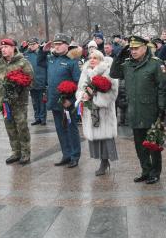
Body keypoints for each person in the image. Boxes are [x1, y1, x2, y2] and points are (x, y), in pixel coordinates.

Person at [110, 35, 166, 184]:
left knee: (153, 143)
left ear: (145, 48)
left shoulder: (155, 64)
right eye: (131, 49)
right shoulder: (127, 64)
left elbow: (162, 87)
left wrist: (161, 108)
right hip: (134, 110)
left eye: (136, 48)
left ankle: (155, 172)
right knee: (139, 145)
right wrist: (119, 56)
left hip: (151, 110)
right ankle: (145, 170)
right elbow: (114, 73)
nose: (133, 51)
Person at [0, 38, 34, 165]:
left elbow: (31, 81)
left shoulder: (23, 62)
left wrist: (18, 89)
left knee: (22, 128)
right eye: (2, 48)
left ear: (13, 48)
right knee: (10, 128)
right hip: (4, 102)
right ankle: (16, 152)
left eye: (6, 47)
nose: (3, 50)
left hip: (19, 102)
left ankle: (25, 153)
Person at [39, 33, 82, 168]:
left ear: (67, 45)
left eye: (59, 44)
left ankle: (75, 156)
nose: (56, 47)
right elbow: (40, 62)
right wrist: (43, 50)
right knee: (60, 129)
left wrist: (71, 99)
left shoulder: (72, 61)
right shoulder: (51, 58)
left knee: (71, 129)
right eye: (55, 44)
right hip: (54, 100)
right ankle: (66, 154)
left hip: (67, 102)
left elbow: (78, 82)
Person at [76, 50, 119, 176]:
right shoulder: (86, 71)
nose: (92, 60)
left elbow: (113, 92)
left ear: (101, 59)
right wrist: (83, 95)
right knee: (95, 138)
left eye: (95, 58)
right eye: (90, 57)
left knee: (105, 137)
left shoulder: (108, 70)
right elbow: (80, 88)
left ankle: (105, 162)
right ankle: (101, 160)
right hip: (90, 110)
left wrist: (95, 95)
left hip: (104, 111)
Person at [24, 37, 47, 126]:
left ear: (38, 44)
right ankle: (37, 118)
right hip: (31, 82)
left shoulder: (42, 54)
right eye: (30, 44)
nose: (31, 46)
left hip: (41, 81)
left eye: (33, 44)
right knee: (34, 102)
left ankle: (43, 118)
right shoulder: (26, 54)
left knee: (42, 102)